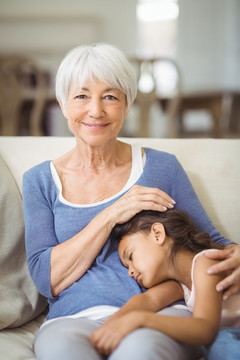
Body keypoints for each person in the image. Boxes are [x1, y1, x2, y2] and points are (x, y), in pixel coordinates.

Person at [22, 43, 240, 360]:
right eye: (81, 96)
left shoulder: (162, 167)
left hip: (161, 313)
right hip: (73, 319)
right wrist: (111, 214)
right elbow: (45, 278)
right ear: (63, 104)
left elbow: (210, 242)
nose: (95, 110)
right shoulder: (39, 181)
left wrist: (236, 254)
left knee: (141, 351)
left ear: (127, 105)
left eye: (110, 96)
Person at [89, 209, 240, 359]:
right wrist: (111, 324)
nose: (130, 272)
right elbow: (148, 300)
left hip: (228, 335)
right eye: (127, 267)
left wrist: (139, 319)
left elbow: (205, 330)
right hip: (229, 333)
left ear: (157, 234)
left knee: (220, 344)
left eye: (131, 256)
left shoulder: (207, 262)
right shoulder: (180, 283)